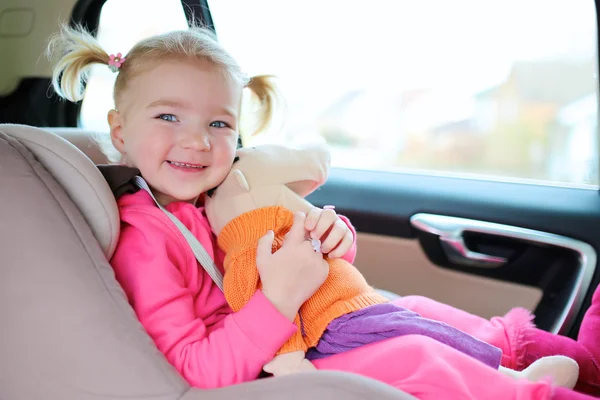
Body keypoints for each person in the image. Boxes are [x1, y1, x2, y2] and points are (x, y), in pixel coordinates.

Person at [46, 21, 598, 400]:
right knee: (411, 356)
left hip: (309, 323)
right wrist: (281, 295)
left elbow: (289, 258)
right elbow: (195, 369)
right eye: (168, 117)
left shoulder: (216, 200)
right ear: (118, 129)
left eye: (219, 124)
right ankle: (526, 391)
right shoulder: (145, 239)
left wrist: (332, 238)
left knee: (420, 309)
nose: (197, 141)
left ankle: (537, 364)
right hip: (271, 367)